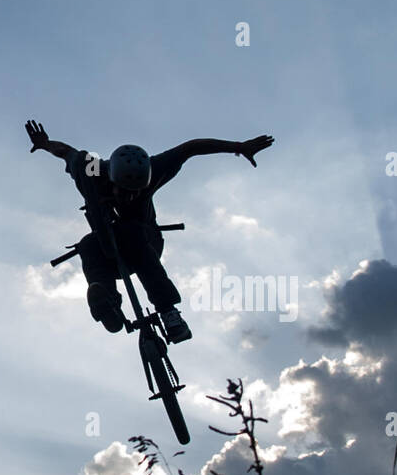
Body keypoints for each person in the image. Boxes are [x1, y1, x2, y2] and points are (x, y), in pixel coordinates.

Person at [25, 120, 273, 343]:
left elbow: (191, 148)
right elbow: (66, 152)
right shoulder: (91, 169)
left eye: (136, 191)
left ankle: (169, 313)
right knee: (88, 245)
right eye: (124, 190)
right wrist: (45, 144)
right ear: (110, 178)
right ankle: (107, 303)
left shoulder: (155, 169)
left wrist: (239, 147)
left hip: (146, 245)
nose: (130, 196)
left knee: (131, 230)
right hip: (106, 249)